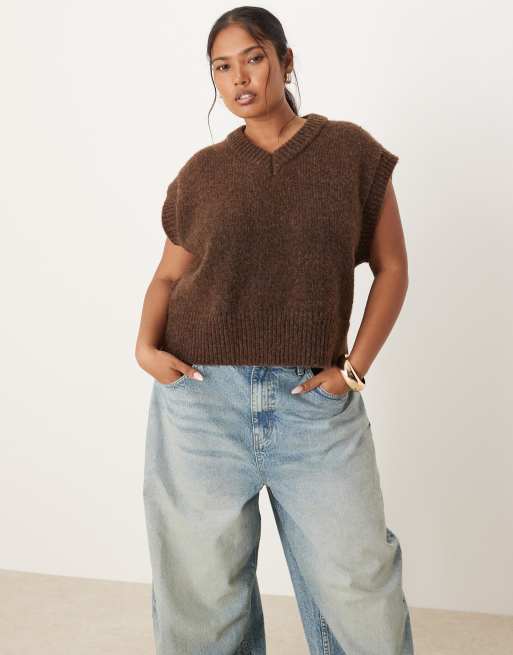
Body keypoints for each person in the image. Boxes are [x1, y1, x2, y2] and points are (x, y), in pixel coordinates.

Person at [135, 6, 414, 655]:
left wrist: (354, 369)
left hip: (312, 401)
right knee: (201, 592)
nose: (239, 78)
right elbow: (167, 278)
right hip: (200, 400)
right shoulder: (202, 173)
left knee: (357, 581)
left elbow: (393, 267)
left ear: (285, 62)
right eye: (222, 67)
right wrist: (145, 347)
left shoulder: (349, 153)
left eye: (253, 58)